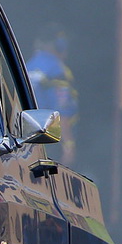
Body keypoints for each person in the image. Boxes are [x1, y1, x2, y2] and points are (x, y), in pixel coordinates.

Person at [25, 23, 78, 164]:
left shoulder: (27, 66)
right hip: (50, 141)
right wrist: (68, 145)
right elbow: (62, 110)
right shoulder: (57, 70)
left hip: (26, 140)